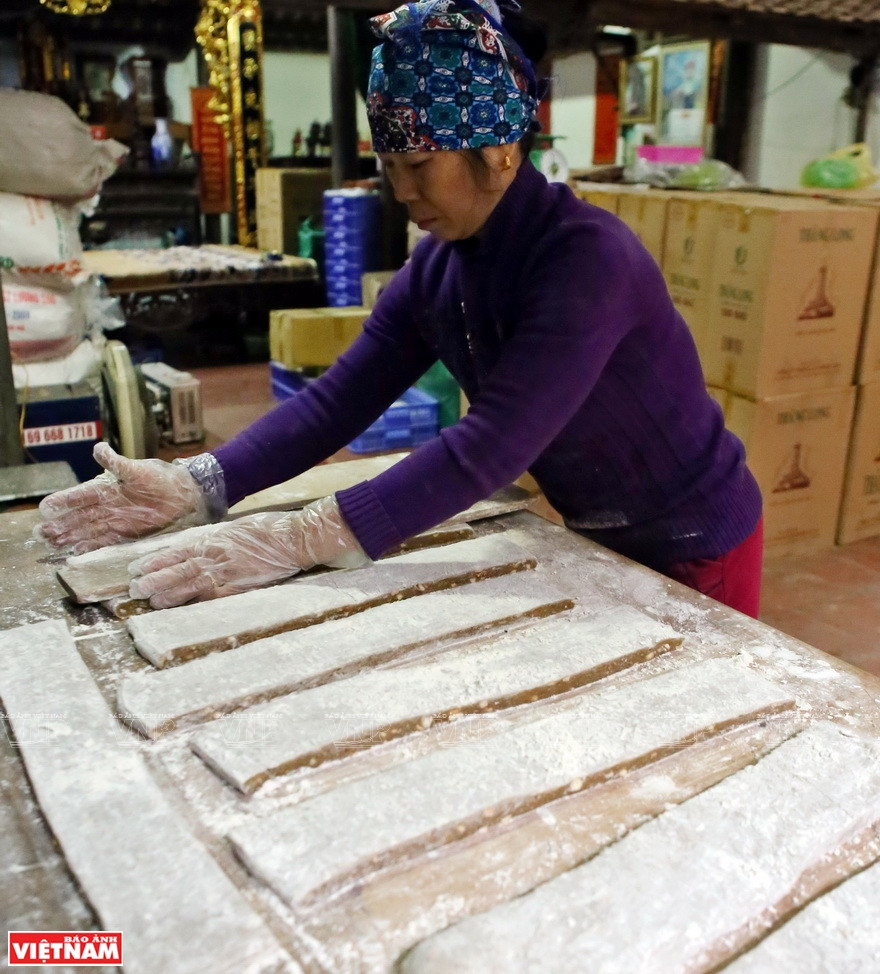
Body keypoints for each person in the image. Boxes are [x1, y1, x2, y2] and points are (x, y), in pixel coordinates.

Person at [38, 0, 763, 616]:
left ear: (500, 149)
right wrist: (202, 483)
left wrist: (307, 536)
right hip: (596, 527)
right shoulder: (442, 268)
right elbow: (337, 401)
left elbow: (494, 443)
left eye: (419, 165)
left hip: (694, 539)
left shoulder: (587, 260)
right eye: (388, 167)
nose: (403, 191)